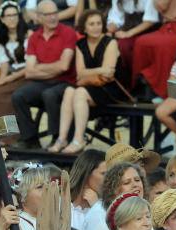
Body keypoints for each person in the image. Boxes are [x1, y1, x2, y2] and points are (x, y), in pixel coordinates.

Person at [49, 9, 122, 154]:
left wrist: (90, 72)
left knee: (80, 92)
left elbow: (108, 73)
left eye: (98, 23)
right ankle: (62, 139)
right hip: (90, 85)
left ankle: (78, 140)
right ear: (84, 27)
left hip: (111, 88)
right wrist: (99, 70)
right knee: (69, 91)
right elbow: (80, 72)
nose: (96, 27)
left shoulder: (110, 42)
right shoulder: (80, 44)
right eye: (91, 24)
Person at [12, 0, 77, 150]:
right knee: (18, 96)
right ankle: (30, 139)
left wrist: (39, 68)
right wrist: (53, 67)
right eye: (48, 14)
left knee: (49, 94)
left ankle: (57, 138)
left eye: (55, 13)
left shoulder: (68, 32)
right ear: (39, 17)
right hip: (42, 82)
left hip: (65, 81)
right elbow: (29, 71)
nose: (53, 17)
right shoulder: (34, 37)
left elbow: (64, 66)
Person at [131, 0, 176, 100]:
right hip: (166, 26)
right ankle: (142, 84)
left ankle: (164, 92)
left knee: (166, 45)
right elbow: (160, 6)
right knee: (141, 42)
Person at [13, 163, 59, 230]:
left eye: (48, 184)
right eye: (40, 187)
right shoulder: (17, 224)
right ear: (22, 196)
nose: (47, 189)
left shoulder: (58, 218)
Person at [106, 0, 157, 83]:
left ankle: (138, 79)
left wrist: (128, 33)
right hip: (128, 29)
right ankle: (126, 79)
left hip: (149, 30)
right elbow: (116, 19)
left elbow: (150, 20)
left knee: (136, 45)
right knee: (120, 44)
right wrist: (107, 32)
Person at [69, 148, 106, 230]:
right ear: (86, 173)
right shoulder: (60, 205)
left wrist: (97, 206)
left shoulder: (107, 208)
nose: (109, 178)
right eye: (104, 173)